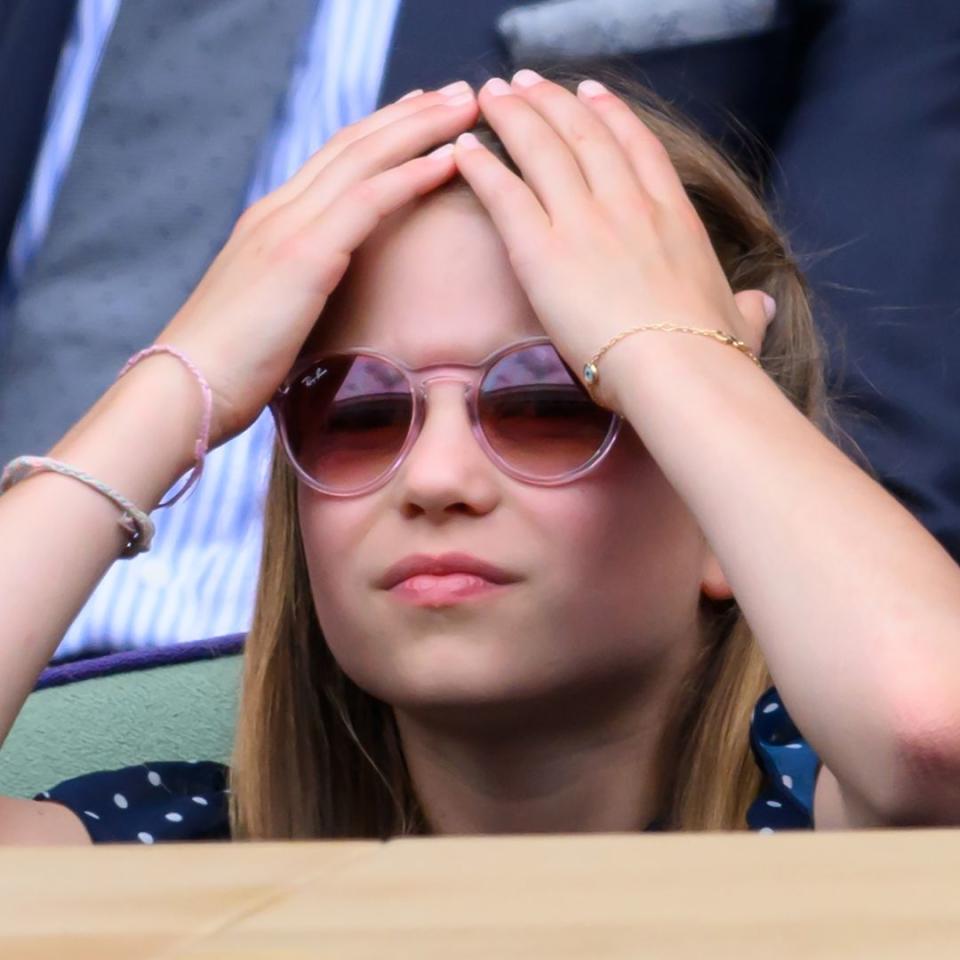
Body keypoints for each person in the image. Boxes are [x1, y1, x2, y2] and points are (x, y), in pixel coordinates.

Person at [2, 70, 960, 845]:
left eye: (551, 402)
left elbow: (931, 731)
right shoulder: (177, 857)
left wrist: (666, 351)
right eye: (358, 410)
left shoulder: (826, 820)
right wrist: (183, 378)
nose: (437, 481)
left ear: (723, 514)